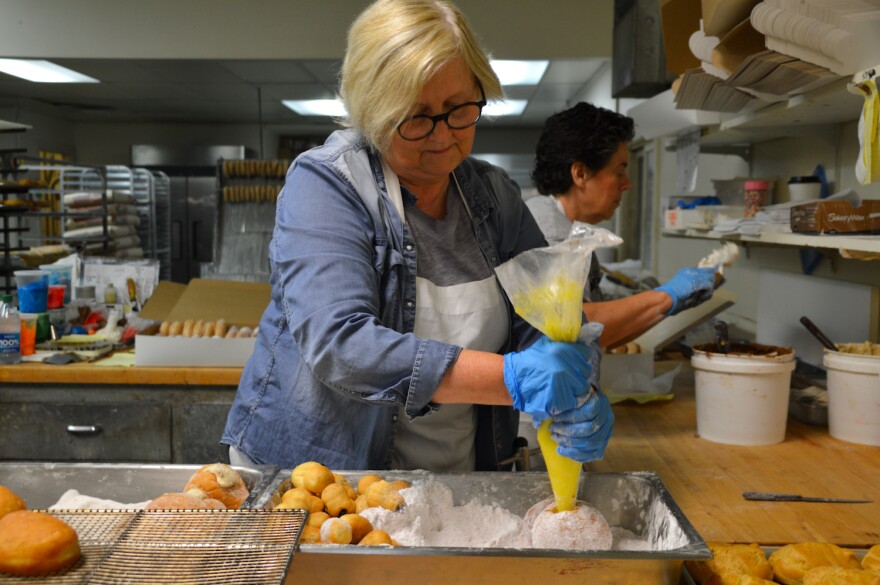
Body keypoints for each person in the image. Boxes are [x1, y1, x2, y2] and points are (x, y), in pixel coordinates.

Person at [222, 0, 613, 472]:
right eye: (417, 116)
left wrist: (579, 385)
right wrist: (510, 377)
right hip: (324, 472)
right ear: (373, 111)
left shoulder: (494, 197)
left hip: (456, 471)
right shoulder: (326, 185)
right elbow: (342, 344)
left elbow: (548, 323)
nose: (443, 134)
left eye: (458, 108)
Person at [528, 102, 718, 349]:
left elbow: (600, 327)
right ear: (581, 174)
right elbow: (577, 328)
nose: (627, 184)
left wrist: (667, 303)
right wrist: (665, 297)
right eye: (619, 173)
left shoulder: (569, 228)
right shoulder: (548, 234)